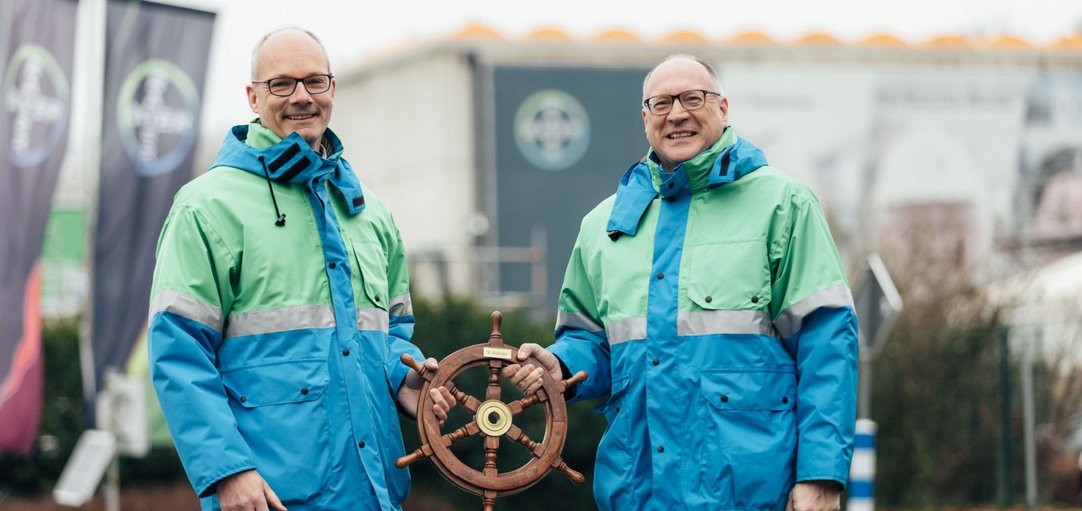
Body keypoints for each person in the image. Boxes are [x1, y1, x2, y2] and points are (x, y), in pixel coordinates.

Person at [505, 55, 859, 510]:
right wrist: (559, 367)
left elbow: (827, 345)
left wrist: (821, 474)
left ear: (724, 108)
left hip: (753, 494)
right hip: (638, 492)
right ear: (645, 118)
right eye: (662, 103)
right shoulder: (603, 226)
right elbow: (591, 341)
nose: (677, 114)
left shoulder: (784, 206)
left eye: (693, 98)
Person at [148, 27, 453, 511]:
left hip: (374, 494)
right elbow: (178, 354)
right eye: (282, 84)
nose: (301, 97)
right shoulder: (207, 208)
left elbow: (389, 335)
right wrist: (227, 472)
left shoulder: (369, 212)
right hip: (267, 498)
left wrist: (404, 377)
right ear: (253, 96)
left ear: (332, 89)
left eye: (315, 81)